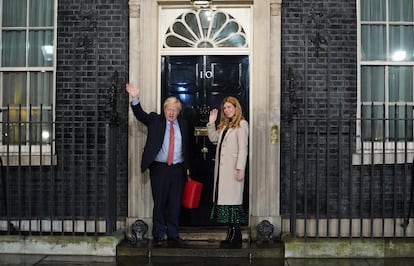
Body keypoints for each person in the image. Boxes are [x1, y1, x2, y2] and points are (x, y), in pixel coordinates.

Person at [126, 83, 190, 247]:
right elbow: (140, 115)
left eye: (174, 110)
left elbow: (187, 147)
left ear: (178, 111)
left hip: (177, 169)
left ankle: (174, 234)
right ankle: (159, 235)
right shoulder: (155, 120)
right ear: (164, 109)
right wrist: (135, 97)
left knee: (175, 203)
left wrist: (188, 168)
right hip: (159, 168)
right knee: (160, 202)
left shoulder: (184, 124)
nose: (171, 112)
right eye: (168, 109)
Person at [207, 96, 249, 248]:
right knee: (227, 205)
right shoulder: (225, 126)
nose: (227, 110)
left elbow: (243, 150)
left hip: (233, 171)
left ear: (236, 108)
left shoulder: (242, 125)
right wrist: (211, 122)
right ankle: (230, 235)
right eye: (225, 108)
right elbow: (213, 139)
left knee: (234, 204)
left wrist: (240, 169)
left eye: (229, 107)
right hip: (222, 173)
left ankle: (235, 237)